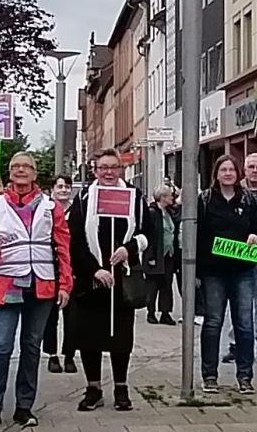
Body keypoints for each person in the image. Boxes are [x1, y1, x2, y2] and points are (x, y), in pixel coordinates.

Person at [0, 152, 72, 430]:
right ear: (8, 172)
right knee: (1, 348)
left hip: (41, 286)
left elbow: (63, 248)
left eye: (26, 167)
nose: (20, 171)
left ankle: (24, 408)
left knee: (31, 348)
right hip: (5, 286)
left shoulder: (52, 208)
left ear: (34, 172)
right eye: (15, 167)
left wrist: (65, 284)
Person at [70, 149, 155, 412]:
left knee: (120, 336)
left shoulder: (134, 197)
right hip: (91, 279)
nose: (108, 173)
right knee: (89, 336)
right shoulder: (84, 198)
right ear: (95, 170)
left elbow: (148, 232)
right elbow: (74, 239)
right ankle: (93, 388)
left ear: (121, 169)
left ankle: (121, 388)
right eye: (103, 168)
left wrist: (128, 248)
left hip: (122, 278)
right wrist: (94, 269)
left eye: (113, 167)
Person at [197, 155, 257, 395]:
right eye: (223, 169)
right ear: (216, 173)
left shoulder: (247, 199)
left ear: (238, 173)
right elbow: (197, 236)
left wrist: (256, 237)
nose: (228, 173)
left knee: (244, 324)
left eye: (231, 169)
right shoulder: (205, 200)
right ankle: (209, 375)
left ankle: (245, 376)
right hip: (213, 272)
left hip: (242, 271)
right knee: (213, 322)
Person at [224, 153, 257, 365]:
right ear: (244, 170)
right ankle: (235, 345)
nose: (254, 170)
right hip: (239, 254)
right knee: (237, 301)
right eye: (251, 167)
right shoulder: (237, 192)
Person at [44, 175, 79, 372]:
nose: (64, 190)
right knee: (50, 316)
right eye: (60, 187)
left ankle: (69, 354)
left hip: (72, 269)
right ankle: (52, 354)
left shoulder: (77, 211)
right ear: (52, 190)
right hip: (50, 268)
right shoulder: (46, 209)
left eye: (67, 187)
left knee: (72, 317)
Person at [144, 185, 179, 326]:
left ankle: (165, 313)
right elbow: (149, 236)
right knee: (153, 285)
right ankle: (151, 312)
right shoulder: (152, 213)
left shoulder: (169, 212)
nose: (172, 198)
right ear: (163, 197)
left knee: (167, 285)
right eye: (170, 195)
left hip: (168, 255)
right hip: (156, 255)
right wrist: (150, 257)